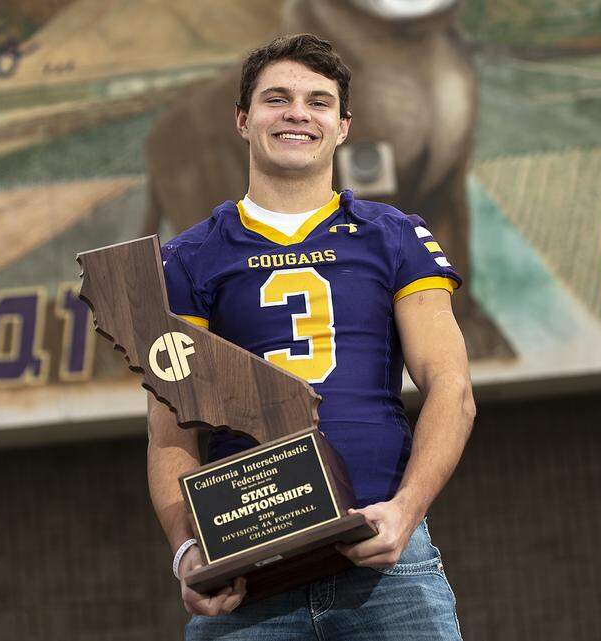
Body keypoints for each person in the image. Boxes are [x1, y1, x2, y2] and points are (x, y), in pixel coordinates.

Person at [146, 33, 475, 640]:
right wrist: (186, 551)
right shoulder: (188, 259)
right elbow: (171, 430)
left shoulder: (394, 235)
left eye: (318, 102)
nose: (298, 113)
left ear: (343, 126)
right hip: (249, 576)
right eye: (277, 99)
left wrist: (406, 511)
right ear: (243, 120)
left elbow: (450, 386)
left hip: (385, 562)